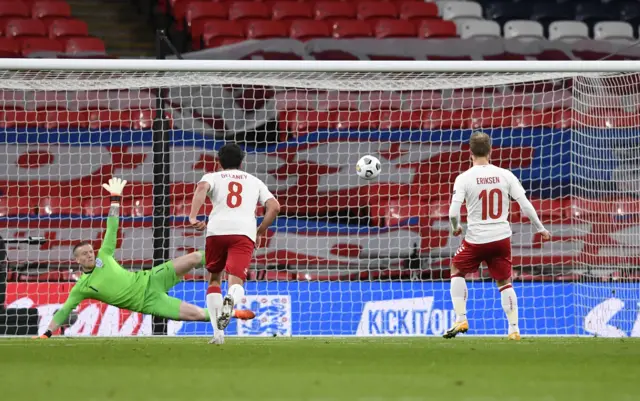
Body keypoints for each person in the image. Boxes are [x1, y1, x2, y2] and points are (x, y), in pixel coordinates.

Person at [35, 177, 254, 339]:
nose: (90, 254)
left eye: (90, 250)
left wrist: (115, 199)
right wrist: (46, 333)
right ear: (77, 261)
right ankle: (232, 312)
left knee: (195, 257)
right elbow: (64, 310)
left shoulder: (104, 254)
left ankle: (235, 258)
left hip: (151, 278)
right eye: (84, 254)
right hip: (148, 302)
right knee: (197, 314)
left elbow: (112, 229)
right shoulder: (81, 287)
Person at [446, 132, 551, 341]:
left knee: (456, 269)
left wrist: (456, 227)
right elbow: (525, 205)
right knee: (504, 281)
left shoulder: (464, 178)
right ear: (491, 150)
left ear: (470, 152)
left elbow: (452, 213)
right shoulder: (506, 175)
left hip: (476, 239)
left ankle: (461, 318)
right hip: (501, 238)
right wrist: (540, 228)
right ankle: (513, 329)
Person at [189, 143, 281, 345]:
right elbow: (274, 207)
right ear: (242, 161)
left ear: (219, 162)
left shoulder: (212, 177)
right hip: (243, 233)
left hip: (216, 231)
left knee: (214, 279)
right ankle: (231, 298)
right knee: (236, 282)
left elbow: (202, 188)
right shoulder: (254, 181)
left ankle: (218, 334)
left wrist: (193, 216)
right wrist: (259, 231)